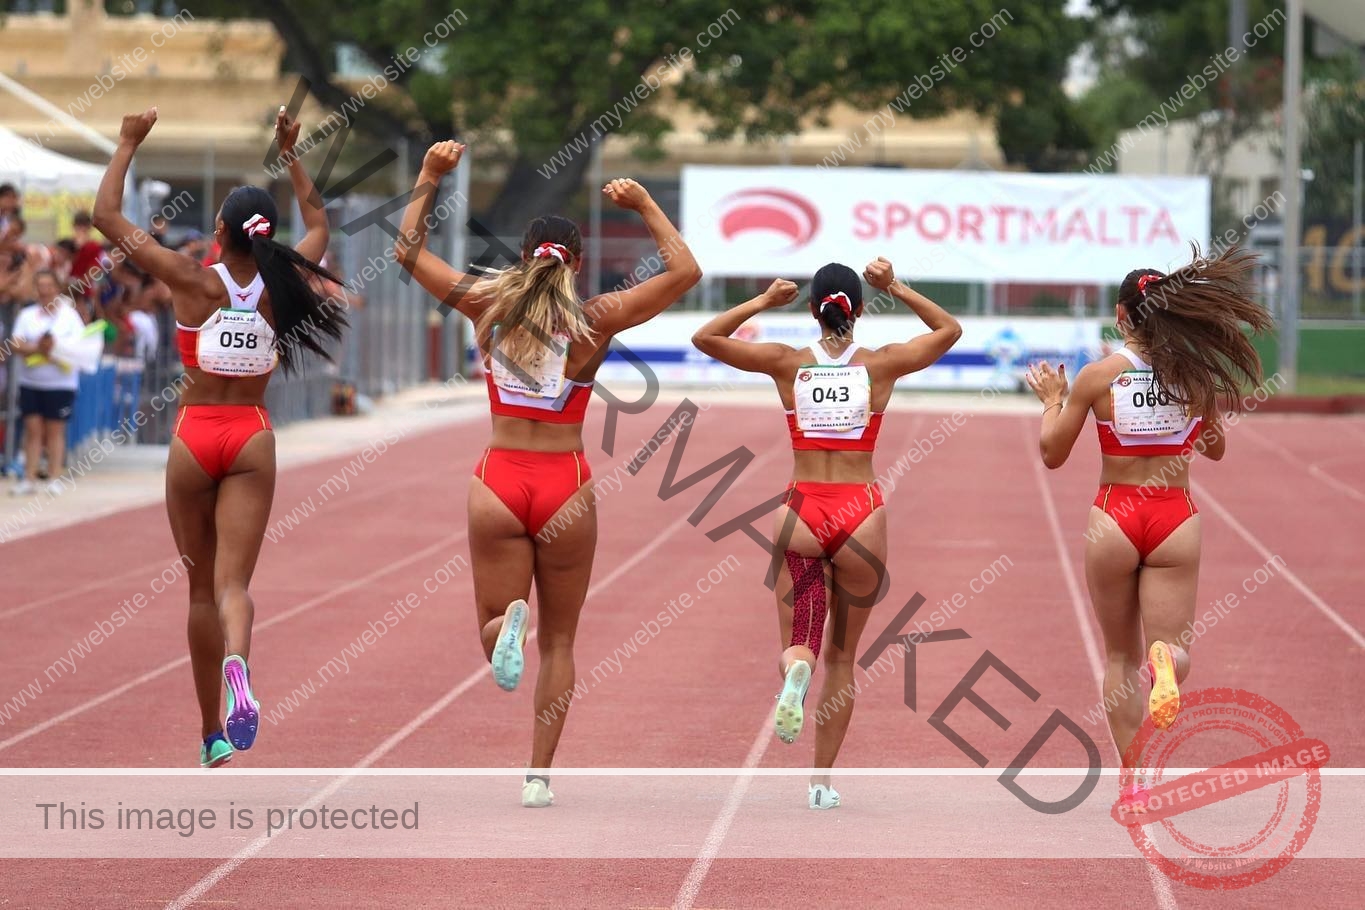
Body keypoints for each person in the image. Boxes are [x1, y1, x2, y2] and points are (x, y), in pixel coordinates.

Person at [394, 141, 700, 807]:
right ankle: (537, 776)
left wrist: (428, 178)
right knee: (560, 640)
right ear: (578, 264)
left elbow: (408, 254)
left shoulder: (487, 304)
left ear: (523, 255)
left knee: (494, 619)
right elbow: (684, 273)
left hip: (498, 479)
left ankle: (505, 627)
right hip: (564, 482)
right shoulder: (593, 320)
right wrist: (645, 203)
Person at [93, 105, 347, 768]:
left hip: (193, 438)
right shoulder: (281, 283)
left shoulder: (191, 279)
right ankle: (240, 664)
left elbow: (108, 221)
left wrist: (126, 144)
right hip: (251, 437)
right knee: (235, 587)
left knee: (198, 590)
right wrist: (291, 153)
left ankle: (210, 732)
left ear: (218, 231)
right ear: (265, 236)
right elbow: (319, 223)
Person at [692, 259, 961, 809]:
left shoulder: (787, 365)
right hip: (860, 509)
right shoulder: (880, 366)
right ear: (859, 311)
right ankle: (820, 784)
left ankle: (796, 669)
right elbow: (949, 331)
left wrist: (764, 302)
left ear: (812, 309)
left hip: (802, 509)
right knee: (843, 659)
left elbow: (705, 337)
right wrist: (897, 287)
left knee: (802, 636)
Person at [1023, 245, 1270, 808]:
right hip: (1174, 516)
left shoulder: (1098, 377)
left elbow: (1053, 455)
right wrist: (1189, 406)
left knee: (1117, 658)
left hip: (1114, 514)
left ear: (1120, 316)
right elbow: (1216, 451)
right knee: (1172, 650)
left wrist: (1053, 402)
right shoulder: (1194, 377)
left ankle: (1133, 781)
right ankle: (1168, 663)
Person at [6, 270, 86, 495]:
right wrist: (38, 348)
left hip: (60, 384)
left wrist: (53, 350)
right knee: (32, 430)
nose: (44, 290)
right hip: (30, 381)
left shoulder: (69, 316)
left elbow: (78, 346)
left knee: (54, 430)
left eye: (48, 285)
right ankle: (28, 478)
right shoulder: (27, 315)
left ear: (57, 288)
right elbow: (16, 344)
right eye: (40, 285)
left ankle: (54, 477)